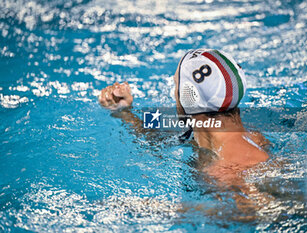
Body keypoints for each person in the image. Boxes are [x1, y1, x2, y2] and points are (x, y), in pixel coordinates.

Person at [99, 49, 271, 216]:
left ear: (189, 96)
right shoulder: (252, 138)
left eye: (176, 85)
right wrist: (125, 113)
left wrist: (157, 208)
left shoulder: (224, 172)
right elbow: (159, 141)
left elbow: (254, 214)